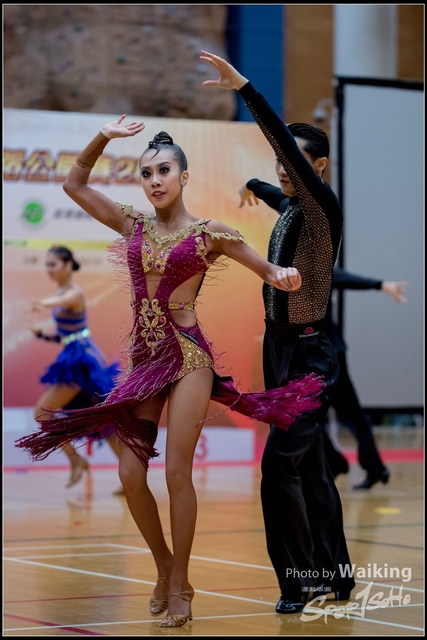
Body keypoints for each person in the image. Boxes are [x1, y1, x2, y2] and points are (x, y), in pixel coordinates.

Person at [16, 118, 325, 628]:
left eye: (164, 171)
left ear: (183, 177)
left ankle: (180, 583)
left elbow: (267, 270)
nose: (155, 180)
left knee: (176, 471)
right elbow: (74, 184)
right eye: (147, 173)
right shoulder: (132, 224)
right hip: (145, 363)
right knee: (129, 474)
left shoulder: (210, 233)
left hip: (188, 358)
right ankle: (162, 566)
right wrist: (103, 138)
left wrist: (284, 275)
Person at [200, 50, 356, 613]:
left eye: (292, 164)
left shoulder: (321, 208)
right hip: (280, 350)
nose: (283, 171)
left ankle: (299, 580)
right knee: (309, 467)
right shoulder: (291, 203)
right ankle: (335, 575)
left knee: (277, 468)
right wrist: (252, 183)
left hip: (310, 356)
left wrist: (245, 88)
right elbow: (274, 190)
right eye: (278, 165)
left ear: (319, 169)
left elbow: (287, 160)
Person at [238, 180, 408, 489]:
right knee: (308, 416)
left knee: (349, 413)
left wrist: (380, 285)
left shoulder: (316, 261)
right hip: (304, 349)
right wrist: (251, 185)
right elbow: (276, 197)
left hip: (326, 350)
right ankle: (338, 463)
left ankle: (375, 468)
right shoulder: (292, 223)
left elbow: (341, 277)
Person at [30, 245, 122, 491]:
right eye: (47, 264)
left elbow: (62, 301)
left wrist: (43, 302)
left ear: (68, 265)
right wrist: (42, 335)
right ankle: (129, 475)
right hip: (74, 357)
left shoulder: (73, 293)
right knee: (102, 422)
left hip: (83, 363)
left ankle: (77, 461)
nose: (49, 269)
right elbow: (66, 335)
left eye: (53, 264)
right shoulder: (62, 291)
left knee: (42, 413)